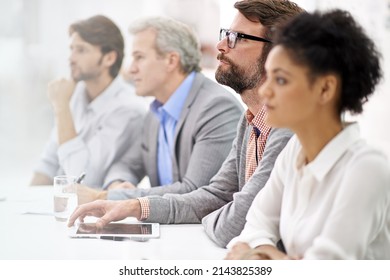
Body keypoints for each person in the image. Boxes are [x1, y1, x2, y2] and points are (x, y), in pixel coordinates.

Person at [69, 0, 303, 248]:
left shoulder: (287, 123)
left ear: (279, 54)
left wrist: (210, 217)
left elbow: (232, 223)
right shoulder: (250, 121)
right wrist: (133, 206)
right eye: (226, 35)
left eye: (238, 38)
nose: (221, 45)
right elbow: (215, 195)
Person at [226, 9, 390, 260]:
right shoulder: (295, 152)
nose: (266, 90)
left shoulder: (367, 168)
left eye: (280, 80)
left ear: (325, 88)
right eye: (268, 76)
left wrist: (263, 256)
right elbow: (252, 230)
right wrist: (276, 257)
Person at [79, 16, 243, 196]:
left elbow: (195, 193)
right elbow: (126, 164)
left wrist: (110, 197)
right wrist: (118, 183)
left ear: (171, 61)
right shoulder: (156, 113)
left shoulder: (216, 108)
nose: (131, 69)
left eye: (139, 57)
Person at [30, 15, 147, 188]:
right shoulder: (76, 94)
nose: (71, 58)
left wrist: (61, 106)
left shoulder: (129, 109)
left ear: (109, 58)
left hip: (89, 210)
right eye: (71, 49)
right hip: (59, 203)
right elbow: (48, 164)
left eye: (81, 50)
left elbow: (81, 177)